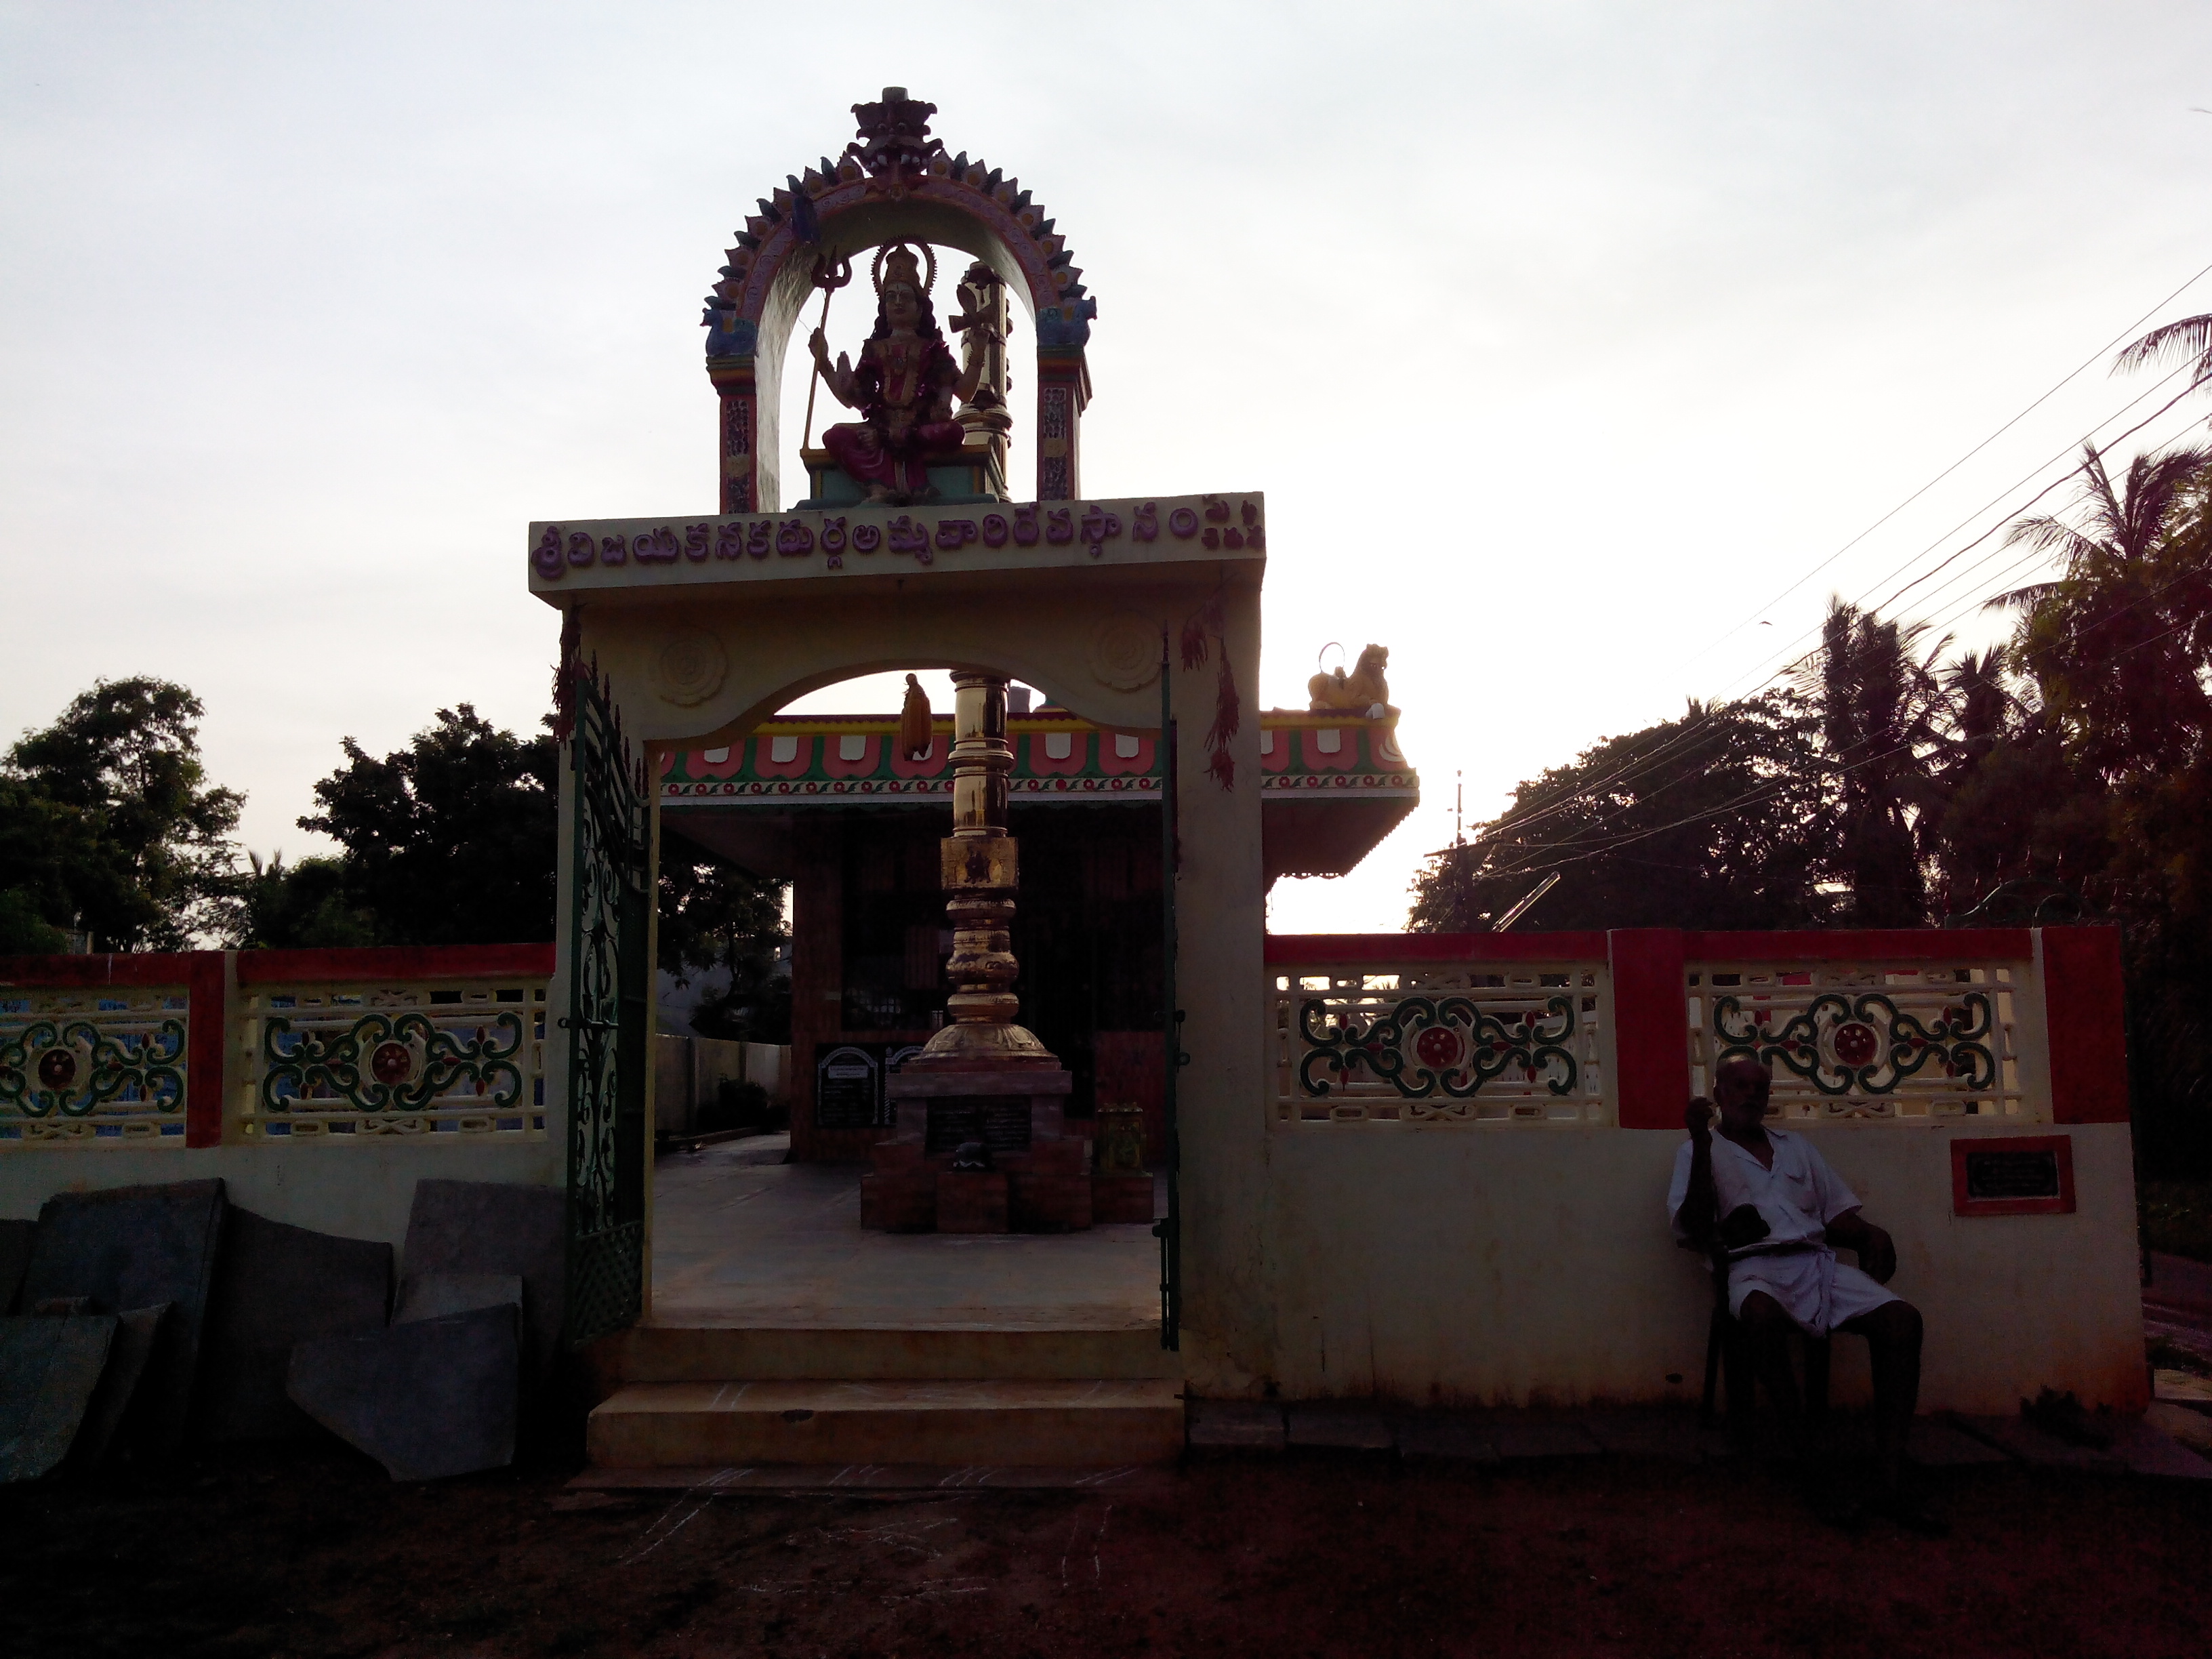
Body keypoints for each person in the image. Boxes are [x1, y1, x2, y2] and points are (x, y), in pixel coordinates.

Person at [1669, 1055, 1942, 1533]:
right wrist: (1698, 1138)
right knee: (1760, 1316)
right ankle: (1812, 1467)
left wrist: (1871, 1234)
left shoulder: (1797, 1148)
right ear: (1719, 1094)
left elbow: (1836, 1216)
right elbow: (1692, 1227)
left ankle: (1890, 1478)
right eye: (1741, 1085)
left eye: (1761, 1087)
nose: (1752, 1094)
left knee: (1903, 1321)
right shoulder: (1698, 1151)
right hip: (1752, 1268)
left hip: (1816, 1262)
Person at [810, 242, 979, 504]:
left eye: (905, 296)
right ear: (884, 308)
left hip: (920, 429)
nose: (898, 302)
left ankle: (896, 472)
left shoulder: (932, 349)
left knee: (954, 432)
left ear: (920, 308)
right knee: (835, 436)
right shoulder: (875, 349)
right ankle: (879, 486)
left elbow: (965, 391)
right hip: (878, 427)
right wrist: (824, 363)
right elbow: (853, 398)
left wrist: (978, 353)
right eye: (891, 297)